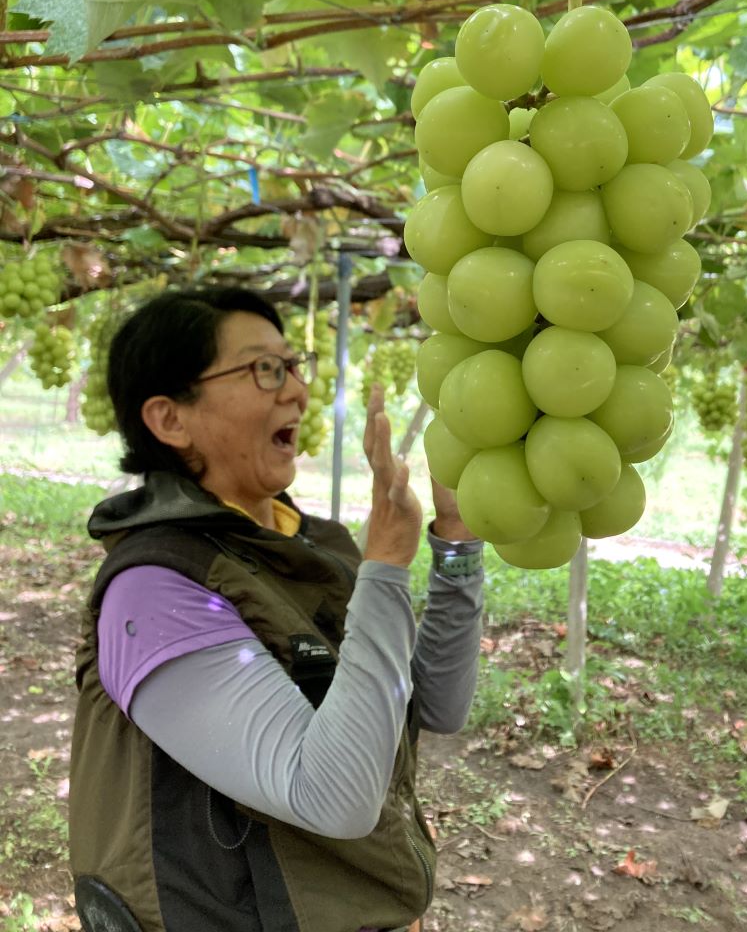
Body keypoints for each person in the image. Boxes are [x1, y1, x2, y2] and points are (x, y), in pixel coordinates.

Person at [68, 286, 484, 932]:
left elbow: (437, 702)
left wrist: (454, 538)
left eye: (294, 366)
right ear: (171, 419)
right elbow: (332, 796)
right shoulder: (152, 592)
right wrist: (385, 569)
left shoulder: (311, 542)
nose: (296, 391)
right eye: (264, 369)